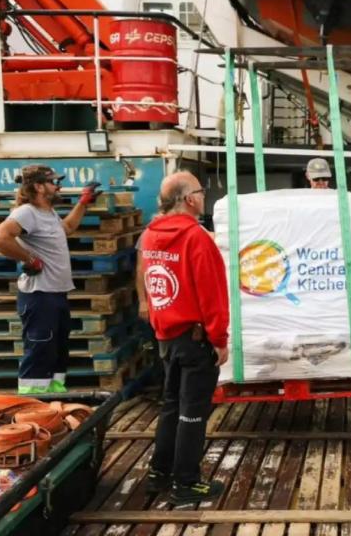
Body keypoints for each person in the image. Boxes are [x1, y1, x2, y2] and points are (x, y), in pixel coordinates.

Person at [140, 171, 230, 504]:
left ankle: (159, 472)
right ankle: (186, 483)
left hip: (167, 335)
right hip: (195, 339)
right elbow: (212, 294)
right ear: (189, 199)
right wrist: (219, 339)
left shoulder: (151, 235)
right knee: (193, 411)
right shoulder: (196, 238)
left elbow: (151, 282)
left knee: (171, 405)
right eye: (201, 191)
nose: (204, 196)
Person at [0, 165, 101, 394]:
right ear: (39, 187)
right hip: (39, 296)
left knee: (57, 351)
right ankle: (33, 403)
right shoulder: (26, 213)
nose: (58, 186)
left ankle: (55, 398)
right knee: (39, 351)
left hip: (56, 294)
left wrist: (83, 203)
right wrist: (30, 259)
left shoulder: (47, 213)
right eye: (53, 182)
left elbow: (67, 227)